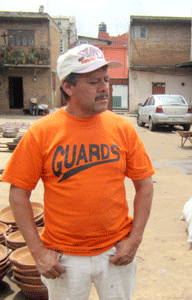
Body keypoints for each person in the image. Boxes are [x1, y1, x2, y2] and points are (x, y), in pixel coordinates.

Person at [1, 44, 155, 300]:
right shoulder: (42, 133)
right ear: (68, 87)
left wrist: (134, 240)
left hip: (115, 252)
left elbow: (145, 186)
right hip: (64, 259)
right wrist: (38, 252)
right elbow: (18, 194)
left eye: (106, 79)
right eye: (94, 81)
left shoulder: (121, 128)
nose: (104, 87)